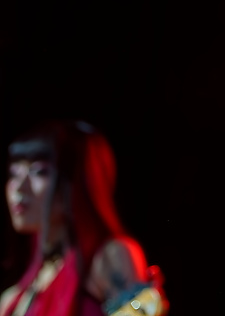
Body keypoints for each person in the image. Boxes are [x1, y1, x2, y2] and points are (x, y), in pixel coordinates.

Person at [2, 120, 158, 316]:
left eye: (39, 171)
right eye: (13, 173)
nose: (18, 187)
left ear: (77, 182)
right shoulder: (18, 294)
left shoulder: (109, 257)